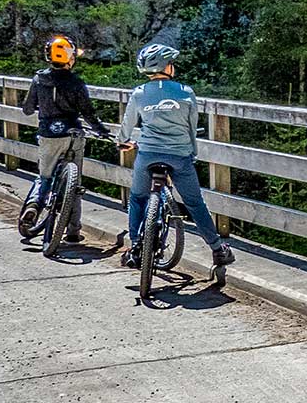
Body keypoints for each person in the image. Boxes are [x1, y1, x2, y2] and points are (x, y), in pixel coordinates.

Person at [117, 44, 234, 270]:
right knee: (194, 203)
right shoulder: (186, 92)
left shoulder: (139, 93)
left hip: (148, 154)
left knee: (138, 198)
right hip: (180, 155)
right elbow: (192, 128)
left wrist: (122, 141)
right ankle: (218, 249)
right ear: (167, 66)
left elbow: (127, 125)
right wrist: (192, 153)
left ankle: (135, 248)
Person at [21, 34, 112, 243]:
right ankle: (72, 231)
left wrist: (39, 105)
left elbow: (26, 109)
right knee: (75, 182)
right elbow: (88, 112)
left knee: (44, 177)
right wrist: (102, 130)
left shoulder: (38, 79)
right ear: (70, 58)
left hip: (48, 135)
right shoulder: (76, 82)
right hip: (72, 135)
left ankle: (34, 205)